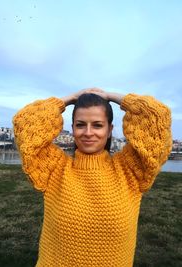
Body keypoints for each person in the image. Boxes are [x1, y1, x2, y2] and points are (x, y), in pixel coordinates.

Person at [13, 88, 172, 267]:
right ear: (72, 128)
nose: (88, 133)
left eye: (97, 125)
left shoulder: (130, 171)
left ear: (110, 129)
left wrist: (111, 96)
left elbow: (157, 116)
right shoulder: (55, 168)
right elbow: (25, 123)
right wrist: (69, 99)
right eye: (80, 124)